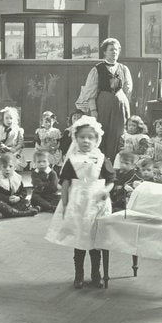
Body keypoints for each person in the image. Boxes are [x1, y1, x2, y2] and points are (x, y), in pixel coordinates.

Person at [46, 116, 115, 289]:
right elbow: (66, 183)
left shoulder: (101, 158)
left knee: (94, 240)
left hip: (96, 203)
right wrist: (65, 205)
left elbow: (111, 180)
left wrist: (106, 191)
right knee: (79, 239)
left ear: (97, 140)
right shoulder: (72, 159)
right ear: (76, 139)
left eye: (90, 137)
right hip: (78, 203)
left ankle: (95, 274)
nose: (86, 140)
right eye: (82, 137)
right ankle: (79, 275)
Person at [75, 38, 133, 160]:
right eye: (111, 50)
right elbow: (91, 92)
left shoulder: (123, 69)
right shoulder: (97, 69)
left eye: (116, 50)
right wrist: (94, 110)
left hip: (120, 107)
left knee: (119, 134)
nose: (114, 52)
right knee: (103, 133)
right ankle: (103, 164)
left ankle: (117, 164)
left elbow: (128, 89)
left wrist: (122, 102)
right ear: (105, 52)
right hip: (103, 106)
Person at [0, 106, 27, 171]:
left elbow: (20, 143)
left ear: (15, 119)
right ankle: (4, 167)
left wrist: (14, 149)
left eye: (11, 118)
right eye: (6, 118)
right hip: (2, 151)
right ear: (3, 119)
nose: (9, 120)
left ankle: (12, 167)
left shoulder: (18, 130)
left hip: (13, 151)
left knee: (15, 159)